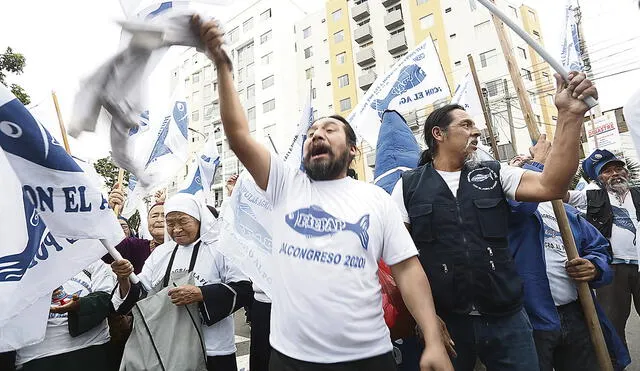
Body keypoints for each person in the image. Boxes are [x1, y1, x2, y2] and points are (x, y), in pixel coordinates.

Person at [193, 15, 453, 371]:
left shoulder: (375, 200)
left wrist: (433, 340)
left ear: (352, 151)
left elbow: (407, 270)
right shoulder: (285, 185)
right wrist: (223, 66)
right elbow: (238, 135)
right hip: (291, 359)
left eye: (330, 129)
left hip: (368, 357)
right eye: (312, 131)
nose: (317, 134)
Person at [390, 70, 598, 371]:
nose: (475, 131)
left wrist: (569, 115)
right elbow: (401, 262)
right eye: (465, 125)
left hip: (508, 320)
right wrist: (427, 320)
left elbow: (551, 185)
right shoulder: (407, 187)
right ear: (439, 134)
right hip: (448, 323)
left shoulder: (495, 173)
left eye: (475, 125)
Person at [507, 152, 630, 371]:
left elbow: (598, 248)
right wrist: (539, 165)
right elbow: (521, 203)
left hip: (575, 312)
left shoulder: (568, 213)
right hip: (531, 318)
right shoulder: (511, 210)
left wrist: (593, 267)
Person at [111, 193, 253, 371]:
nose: (176, 229)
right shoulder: (161, 253)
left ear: (199, 219)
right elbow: (142, 292)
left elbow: (245, 289)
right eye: (170, 223)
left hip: (212, 348)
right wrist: (124, 278)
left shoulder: (221, 248)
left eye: (183, 221)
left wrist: (201, 294)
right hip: (168, 346)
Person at [566, 149, 640, 349]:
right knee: (613, 323)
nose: (615, 173)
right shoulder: (590, 196)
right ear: (599, 178)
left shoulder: (638, 194)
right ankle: (617, 364)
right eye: (607, 171)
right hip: (613, 268)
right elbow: (559, 194)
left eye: (618, 169)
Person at [14, 261, 116, 371]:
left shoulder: (90, 257)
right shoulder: (14, 264)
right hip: (36, 357)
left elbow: (110, 300)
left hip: (91, 348)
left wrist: (80, 305)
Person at [102, 187, 166, 274]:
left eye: (165, 216)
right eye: (154, 216)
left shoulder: (185, 247)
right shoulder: (135, 246)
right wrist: (111, 213)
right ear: (148, 221)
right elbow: (107, 249)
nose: (159, 220)